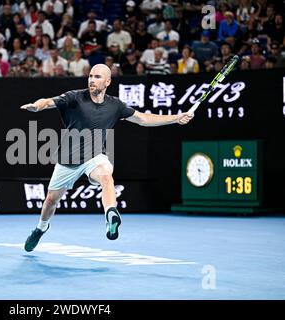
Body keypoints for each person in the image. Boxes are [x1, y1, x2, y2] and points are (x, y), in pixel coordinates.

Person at [20, 64, 194, 252]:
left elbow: (143, 118)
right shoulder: (75, 97)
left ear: (108, 81)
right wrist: (37, 107)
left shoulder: (115, 105)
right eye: (91, 76)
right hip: (68, 159)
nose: (92, 80)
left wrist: (176, 117)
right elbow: (48, 102)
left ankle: (111, 213)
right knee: (51, 200)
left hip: (95, 156)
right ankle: (41, 228)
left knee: (106, 176)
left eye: (97, 77)